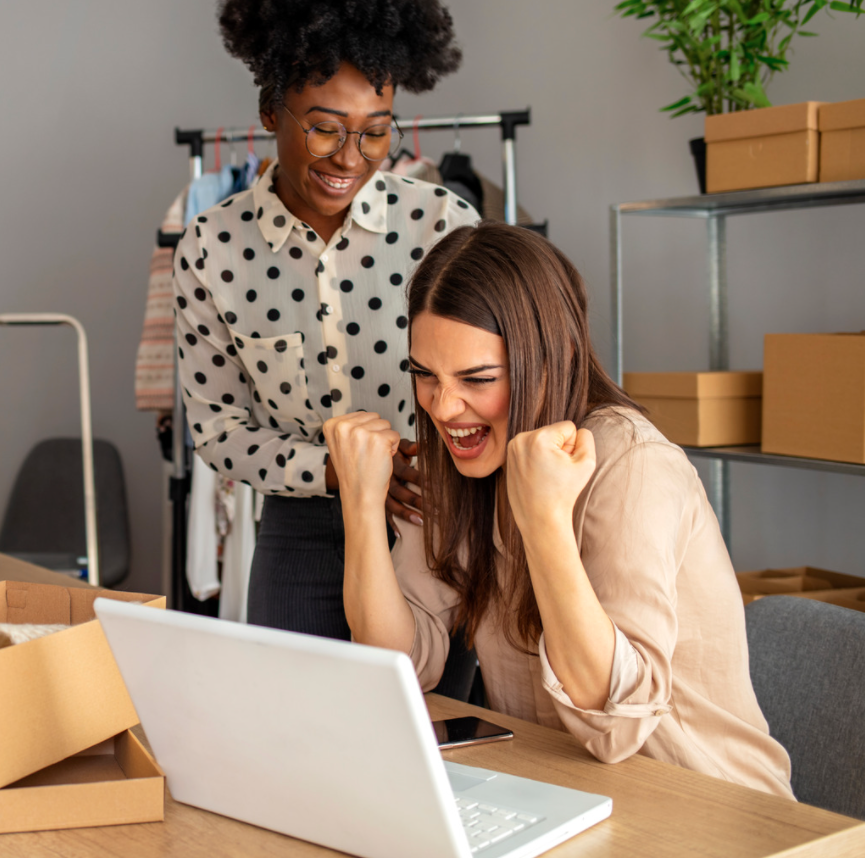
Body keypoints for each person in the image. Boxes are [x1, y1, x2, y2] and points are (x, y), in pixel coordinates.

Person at [324, 223, 794, 797]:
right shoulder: (466, 461)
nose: (444, 407)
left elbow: (616, 723)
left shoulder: (631, 462)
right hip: (562, 794)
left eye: (478, 378)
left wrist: (543, 520)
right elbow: (397, 666)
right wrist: (361, 505)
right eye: (425, 376)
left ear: (554, 356)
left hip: (709, 807)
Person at [173, 0, 476, 639]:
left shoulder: (443, 226)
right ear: (268, 112)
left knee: (440, 732)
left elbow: (495, 380)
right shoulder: (212, 247)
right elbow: (217, 428)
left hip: (435, 524)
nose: (350, 159)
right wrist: (339, 471)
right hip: (300, 535)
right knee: (295, 724)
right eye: (324, 128)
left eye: (375, 132)